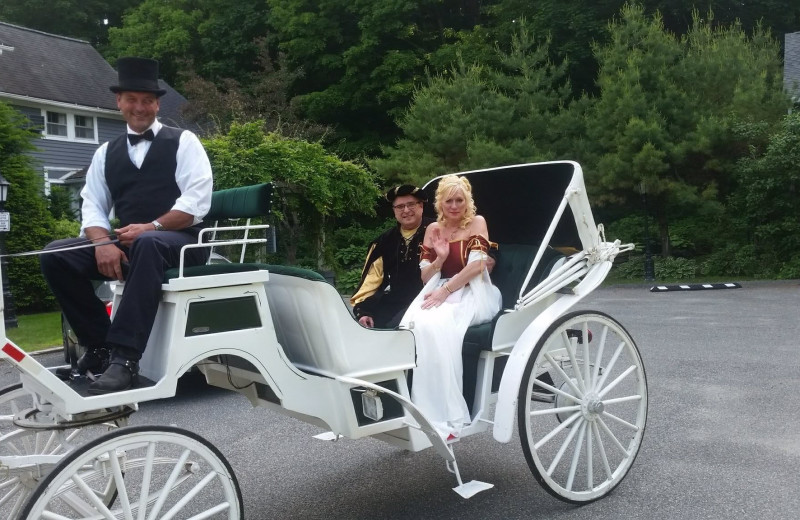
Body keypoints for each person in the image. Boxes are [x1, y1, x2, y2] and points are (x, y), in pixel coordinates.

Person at [40, 57, 213, 394]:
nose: (140, 107)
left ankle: (126, 359)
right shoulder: (106, 152)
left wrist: (152, 226)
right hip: (131, 244)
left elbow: (196, 203)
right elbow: (92, 206)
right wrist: (102, 242)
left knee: (147, 243)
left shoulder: (184, 142)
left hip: (183, 244)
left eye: (147, 100)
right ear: (119, 102)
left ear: (157, 104)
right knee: (55, 255)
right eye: (132, 99)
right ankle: (100, 347)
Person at [400, 174, 502, 440]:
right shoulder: (433, 229)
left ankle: (447, 412)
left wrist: (446, 290)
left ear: (467, 202)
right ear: (440, 203)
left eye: (460, 200)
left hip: (473, 291)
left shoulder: (477, 223)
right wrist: (440, 259)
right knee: (412, 325)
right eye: (449, 201)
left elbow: (478, 265)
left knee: (438, 326)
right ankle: (420, 407)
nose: (455, 206)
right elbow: (424, 277)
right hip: (438, 287)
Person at [350, 185, 434, 329]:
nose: (406, 210)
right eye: (400, 206)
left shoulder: (439, 230)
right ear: (394, 210)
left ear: (421, 206)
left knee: (401, 327)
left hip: (430, 300)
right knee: (373, 328)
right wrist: (364, 311)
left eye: (411, 204)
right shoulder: (383, 242)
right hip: (396, 302)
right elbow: (371, 281)